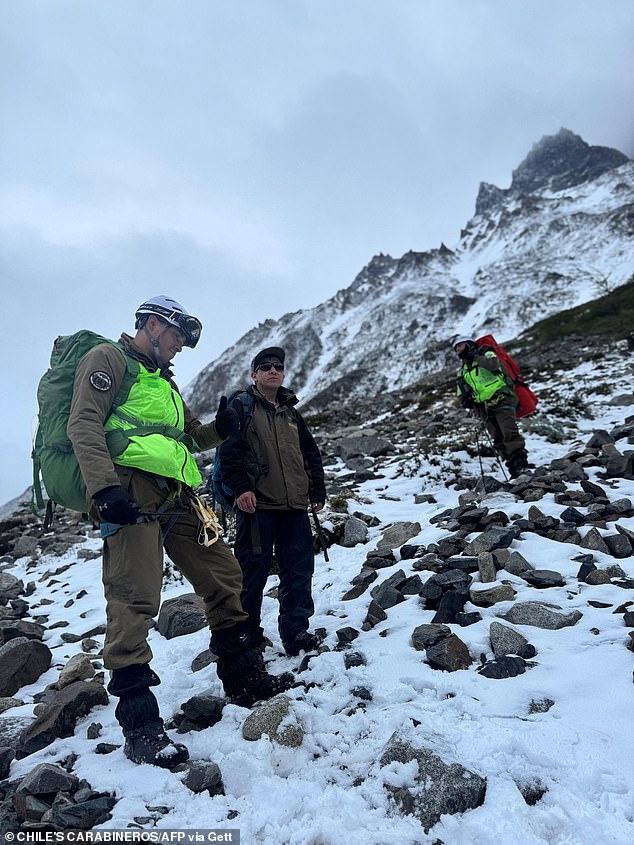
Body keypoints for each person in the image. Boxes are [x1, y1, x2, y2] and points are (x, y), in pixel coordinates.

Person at [67, 296, 293, 769]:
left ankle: (242, 677)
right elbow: (83, 423)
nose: (180, 348)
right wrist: (104, 488)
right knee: (135, 595)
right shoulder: (107, 359)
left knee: (224, 576)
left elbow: (189, 436)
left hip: (177, 492)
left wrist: (221, 429)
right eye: (176, 337)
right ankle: (141, 724)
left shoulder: (164, 381)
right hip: (128, 490)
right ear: (151, 325)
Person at [217, 346, 326, 656]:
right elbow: (230, 451)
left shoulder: (292, 413)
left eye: (278, 366)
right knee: (251, 576)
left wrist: (317, 490)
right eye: (265, 367)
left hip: (294, 506)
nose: (273, 370)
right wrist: (240, 490)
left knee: (299, 571)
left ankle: (296, 634)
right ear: (254, 375)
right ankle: (247, 638)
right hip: (258, 506)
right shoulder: (242, 406)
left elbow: (310, 453)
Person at [453, 335, 530, 478]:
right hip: (484, 407)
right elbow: (460, 387)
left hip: (501, 398)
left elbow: (494, 365)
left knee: (509, 432)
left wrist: (475, 357)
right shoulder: (463, 369)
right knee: (497, 438)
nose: (458, 349)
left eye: (460, 345)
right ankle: (513, 470)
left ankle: (522, 467)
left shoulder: (486, 353)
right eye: (456, 347)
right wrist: (464, 398)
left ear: (469, 344)